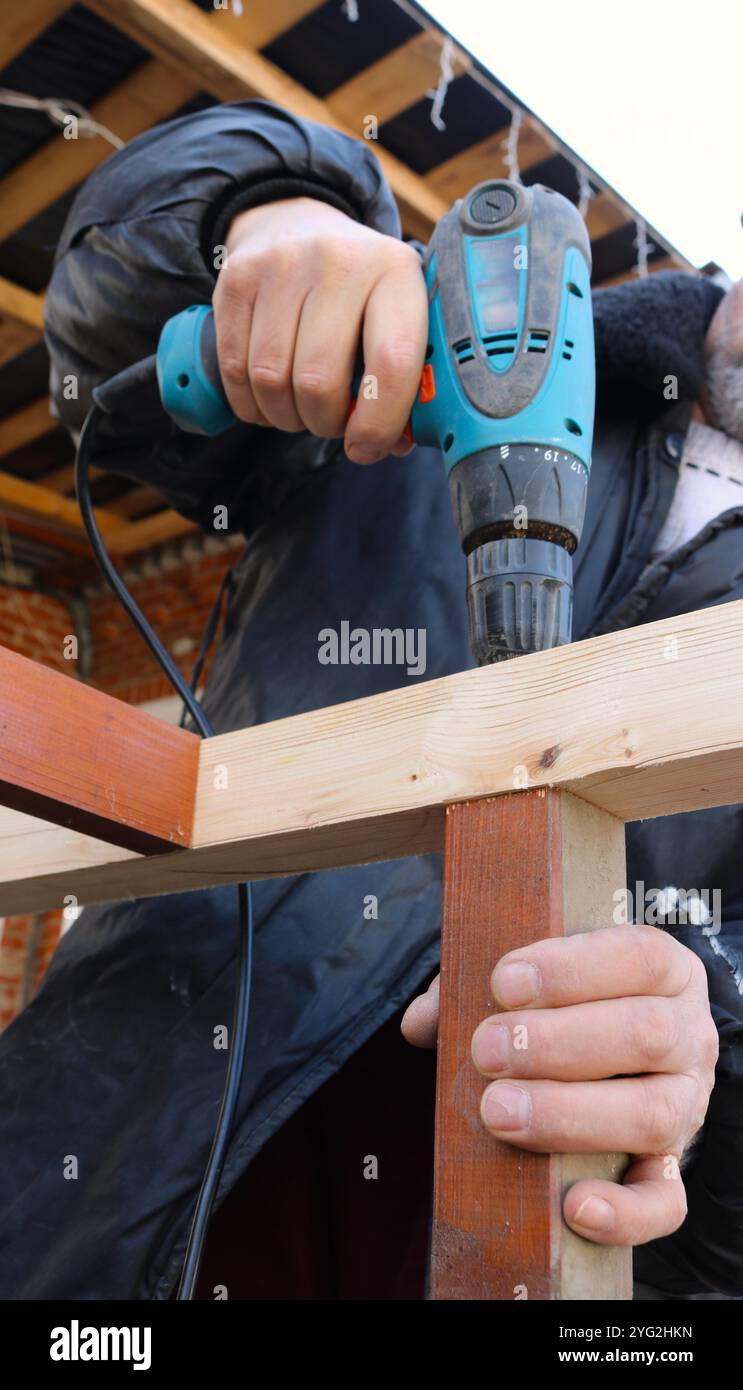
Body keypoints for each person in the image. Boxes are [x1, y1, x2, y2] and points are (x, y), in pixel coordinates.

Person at [0, 99, 739, 1301]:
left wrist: (691, 1075)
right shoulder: (444, 345)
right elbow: (100, 333)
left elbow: (716, 1246)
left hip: (472, 1246)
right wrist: (261, 217)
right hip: (96, 1194)